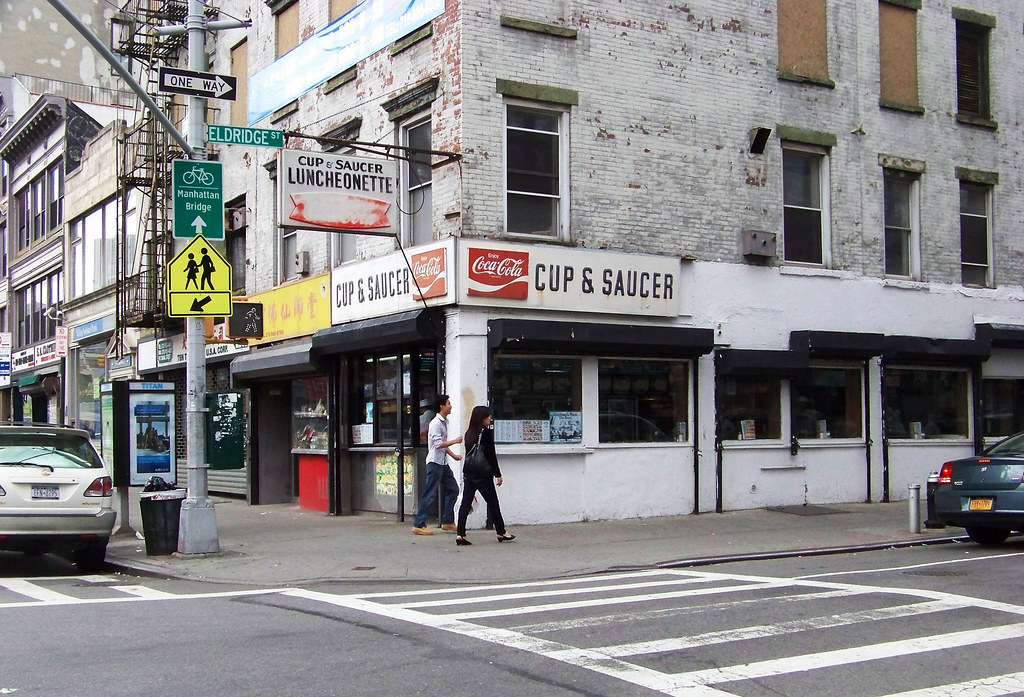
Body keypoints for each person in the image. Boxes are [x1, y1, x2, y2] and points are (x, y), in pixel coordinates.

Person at [455, 405, 515, 546]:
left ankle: (460, 534)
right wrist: (498, 474)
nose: (489, 419)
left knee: (465, 502)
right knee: (493, 502)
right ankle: (501, 531)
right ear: (482, 419)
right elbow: (490, 455)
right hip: (483, 474)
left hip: (469, 472)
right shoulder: (486, 433)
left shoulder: (468, 433)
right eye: (487, 416)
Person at [412, 395, 462, 535]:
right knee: (430, 493)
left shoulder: (444, 422)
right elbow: (438, 444)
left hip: (443, 463)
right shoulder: (435, 423)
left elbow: (442, 444)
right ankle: (419, 524)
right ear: (441, 406)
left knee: (453, 489)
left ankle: (447, 521)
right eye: (448, 403)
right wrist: (455, 441)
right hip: (435, 463)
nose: (450, 406)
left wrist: (453, 456)